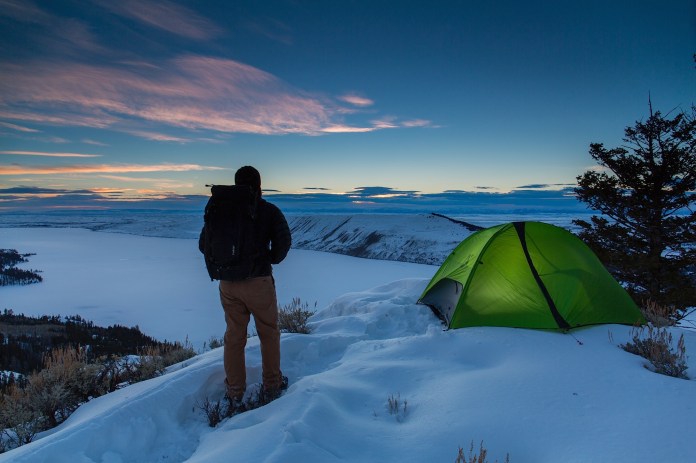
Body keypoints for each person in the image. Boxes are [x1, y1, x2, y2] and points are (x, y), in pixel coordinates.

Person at [199, 166, 292, 408]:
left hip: (228, 284)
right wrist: (268, 258)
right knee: (268, 333)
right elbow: (283, 244)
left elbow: (203, 244)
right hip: (258, 281)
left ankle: (234, 391)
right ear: (259, 184)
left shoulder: (221, 208)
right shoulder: (267, 210)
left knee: (234, 337)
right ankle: (272, 385)